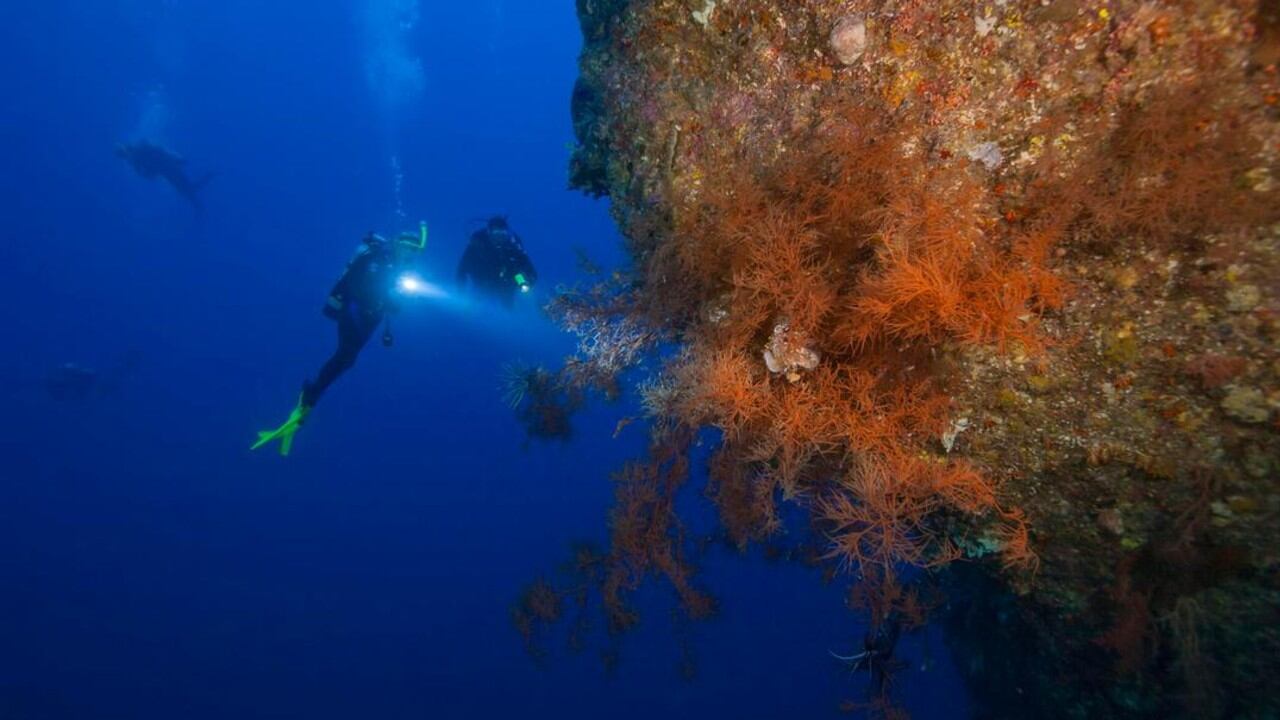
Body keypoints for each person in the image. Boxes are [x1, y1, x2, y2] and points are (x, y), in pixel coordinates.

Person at [252, 223, 427, 456]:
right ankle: (308, 397)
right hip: (354, 311)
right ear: (397, 244)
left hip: (371, 318)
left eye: (414, 251)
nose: (410, 254)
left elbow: (393, 308)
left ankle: (310, 399)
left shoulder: (401, 270)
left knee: (348, 359)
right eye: (407, 247)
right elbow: (356, 286)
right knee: (345, 355)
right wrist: (387, 295)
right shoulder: (375, 258)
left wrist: (400, 298)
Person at [456, 216, 538, 307]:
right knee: (477, 303)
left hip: (507, 282)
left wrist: (527, 283)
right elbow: (462, 269)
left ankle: (509, 315)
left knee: (517, 273)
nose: (499, 237)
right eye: (496, 233)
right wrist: (461, 289)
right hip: (483, 281)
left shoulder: (513, 246)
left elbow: (528, 267)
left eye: (502, 233)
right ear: (489, 233)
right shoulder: (478, 245)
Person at [115, 140, 214, 209]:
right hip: (166, 170)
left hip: (169, 167)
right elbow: (145, 173)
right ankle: (198, 205)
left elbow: (161, 150)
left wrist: (177, 158)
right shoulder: (134, 160)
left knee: (187, 189)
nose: (125, 156)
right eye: (123, 155)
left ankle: (199, 204)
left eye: (123, 153)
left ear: (125, 148)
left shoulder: (140, 147)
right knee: (186, 189)